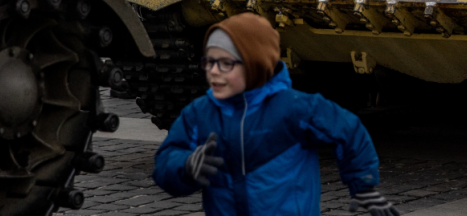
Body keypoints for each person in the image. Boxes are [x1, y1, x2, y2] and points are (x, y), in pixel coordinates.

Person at [153, 13, 399, 216]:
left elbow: (348, 130)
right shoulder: (200, 112)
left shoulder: (295, 108)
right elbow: (167, 157)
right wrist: (184, 167)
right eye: (209, 62)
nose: (213, 72)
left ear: (254, 64)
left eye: (226, 63)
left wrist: (363, 185)